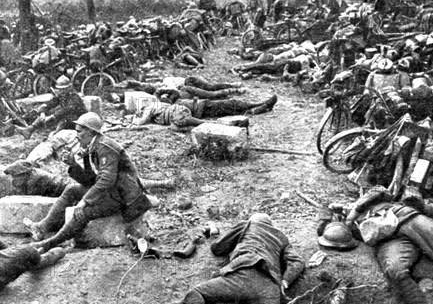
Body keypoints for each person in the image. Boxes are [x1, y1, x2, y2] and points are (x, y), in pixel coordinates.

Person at [23, 112, 153, 252]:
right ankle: (42, 228)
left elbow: (106, 180)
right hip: (113, 191)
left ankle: (49, 243)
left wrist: (85, 201)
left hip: (126, 197)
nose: (76, 135)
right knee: (72, 190)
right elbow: (90, 181)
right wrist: (73, 165)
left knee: (83, 212)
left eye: (79, 131)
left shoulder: (105, 147)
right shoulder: (93, 147)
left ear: (90, 132)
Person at [182, 213, 305, 304]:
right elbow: (297, 261)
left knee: (195, 293)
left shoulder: (247, 225)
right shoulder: (282, 238)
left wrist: (215, 235)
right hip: (269, 287)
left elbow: (217, 248)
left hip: (243, 275)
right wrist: (286, 281)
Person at [133, 93, 278, 131]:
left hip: (197, 107)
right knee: (231, 104)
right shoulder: (151, 108)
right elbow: (141, 121)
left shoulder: (159, 105)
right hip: (199, 108)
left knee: (231, 106)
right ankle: (261, 106)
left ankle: (259, 107)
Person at [14, 75, 87, 140]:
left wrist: (52, 116)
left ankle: (55, 135)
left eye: (63, 89)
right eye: (60, 89)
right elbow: (50, 103)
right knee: (48, 113)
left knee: (63, 120)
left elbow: (66, 109)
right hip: (67, 117)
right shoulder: (62, 95)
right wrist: (42, 112)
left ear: (68, 88)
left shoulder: (74, 97)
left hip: (79, 120)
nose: (61, 91)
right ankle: (29, 129)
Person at [4, 160, 68, 197]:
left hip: (65, 190)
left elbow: (30, 197)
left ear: (23, 174)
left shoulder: (36, 178)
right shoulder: (31, 175)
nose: (13, 179)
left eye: (15, 176)